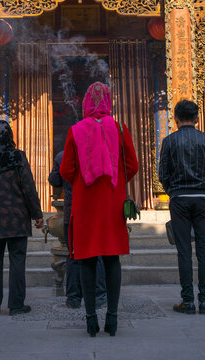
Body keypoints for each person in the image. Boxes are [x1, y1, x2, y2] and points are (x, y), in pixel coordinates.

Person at [60, 82, 138, 337]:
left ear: (86, 103)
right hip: (112, 202)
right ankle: (112, 318)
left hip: (85, 202)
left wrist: (84, 182)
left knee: (87, 258)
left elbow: (66, 170)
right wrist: (113, 181)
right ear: (108, 101)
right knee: (112, 257)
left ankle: (91, 318)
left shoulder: (75, 130)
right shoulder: (119, 127)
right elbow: (132, 164)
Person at [0, 120, 44, 316]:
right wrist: (37, 214)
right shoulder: (17, 157)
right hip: (16, 219)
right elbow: (28, 188)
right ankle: (16, 305)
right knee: (17, 261)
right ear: (10, 136)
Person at [158, 100, 205, 315]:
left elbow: (162, 174)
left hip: (179, 199)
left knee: (183, 250)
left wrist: (173, 190)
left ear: (175, 119)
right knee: (204, 251)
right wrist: (204, 188)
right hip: (202, 199)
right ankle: (204, 301)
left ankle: (188, 301)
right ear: (196, 119)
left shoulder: (169, 141)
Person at [48, 151, 107, 309]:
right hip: (94, 211)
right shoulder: (98, 153)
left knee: (73, 255)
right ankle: (99, 296)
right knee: (97, 253)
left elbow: (54, 180)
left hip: (73, 212)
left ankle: (73, 298)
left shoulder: (63, 156)